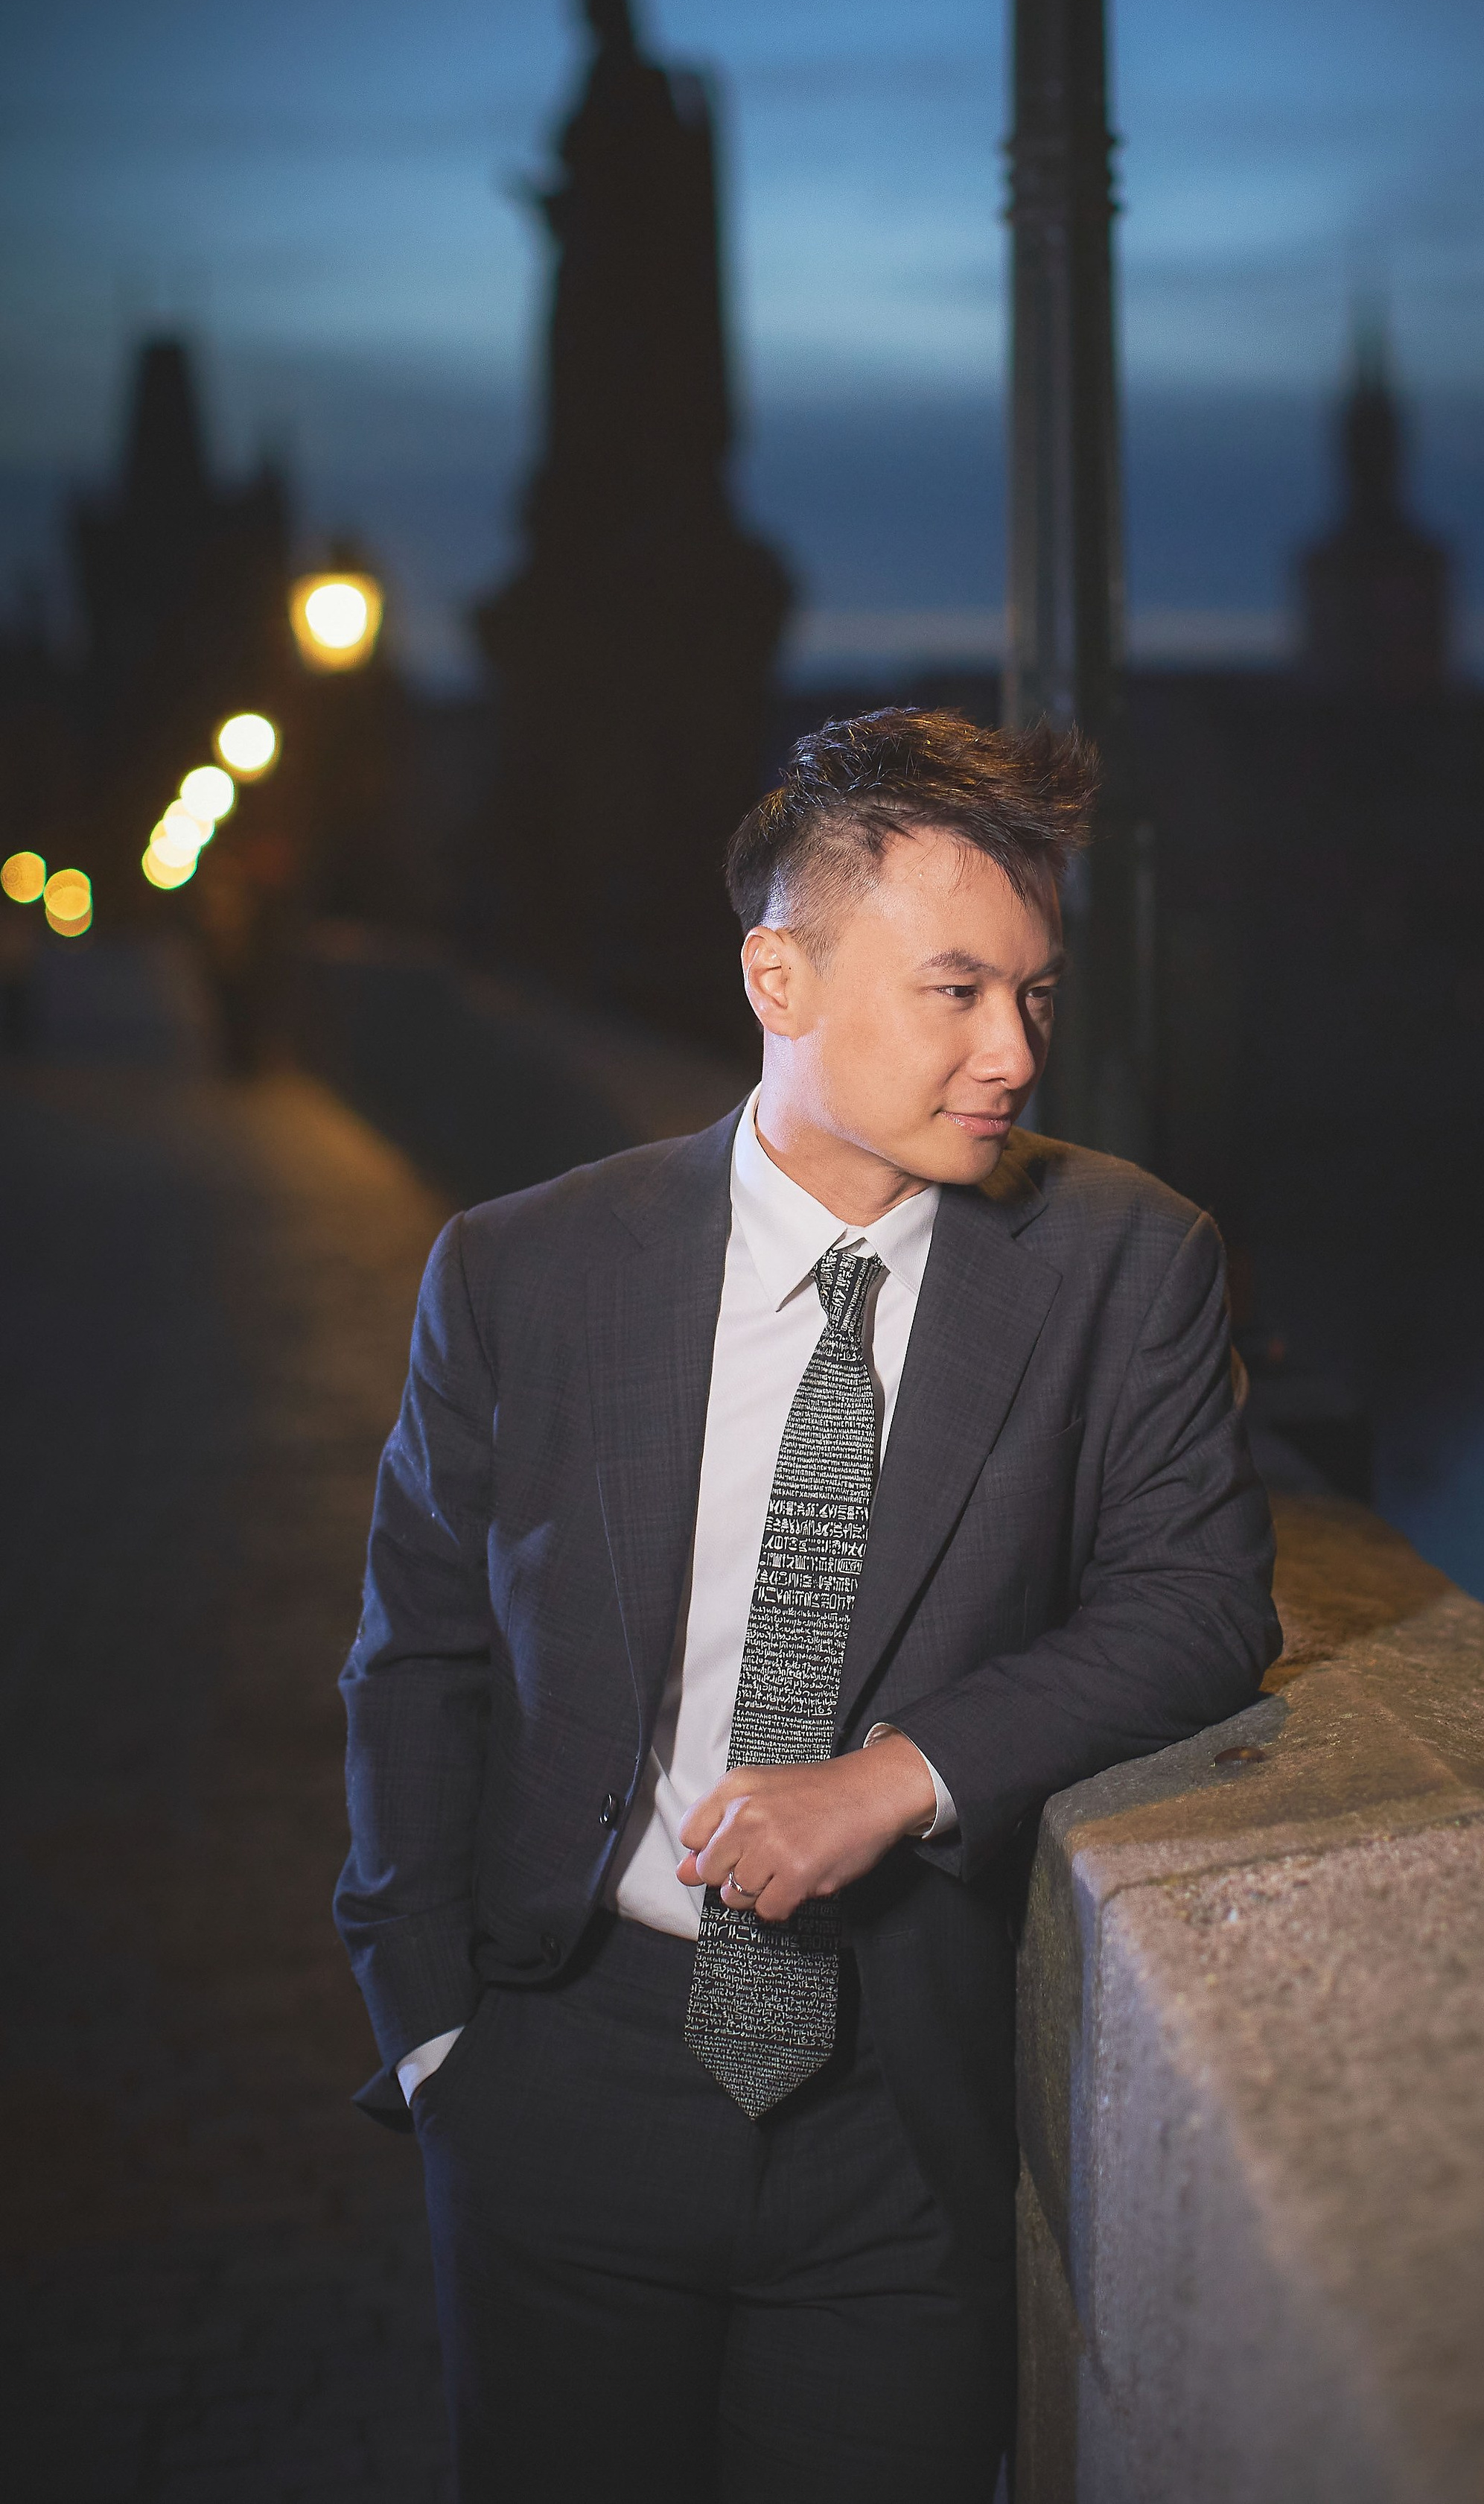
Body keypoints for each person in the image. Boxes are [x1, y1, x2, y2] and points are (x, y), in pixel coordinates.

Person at [335, 706, 1279, 2503]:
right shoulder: (524, 1270)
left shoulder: (1126, 1260)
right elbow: (418, 1658)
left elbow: (1197, 1607)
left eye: (1037, 994)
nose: (1014, 1051)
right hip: (564, 2071)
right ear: (780, 978)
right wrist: (437, 2030)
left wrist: (897, 1775)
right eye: (955, 993)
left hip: (898, 2118)